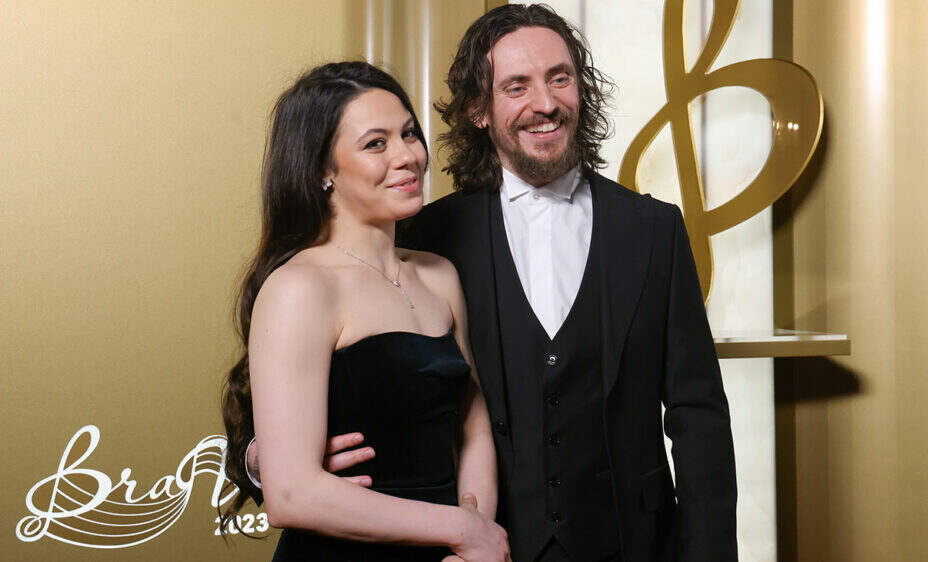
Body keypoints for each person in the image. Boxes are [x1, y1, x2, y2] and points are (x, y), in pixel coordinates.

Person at [248, 4, 738, 561]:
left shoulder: (653, 229)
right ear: (478, 109)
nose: (545, 103)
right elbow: (296, 384)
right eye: (516, 86)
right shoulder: (428, 231)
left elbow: (699, 414)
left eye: (560, 78)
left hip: (629, 544)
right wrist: (266, 459)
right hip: (489, 544)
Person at [219, 61, 510, 562]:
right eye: (376, 143)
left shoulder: (439, 275)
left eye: (409, 134)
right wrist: (461, 528)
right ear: (322, 171)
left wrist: (475, 538)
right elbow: (290, 495)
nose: (407, 156)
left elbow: (474, 429)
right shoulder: (299, 288)